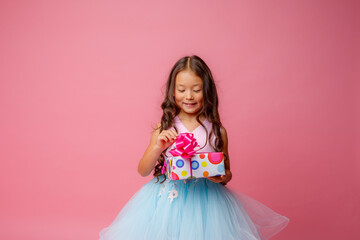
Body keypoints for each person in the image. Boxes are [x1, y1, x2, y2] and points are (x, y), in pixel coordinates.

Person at [99, 55, 289, 240]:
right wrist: (158, 147)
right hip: (167, 203)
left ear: (207, 91)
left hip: (208, 205)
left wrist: (223, 176)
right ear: (172, 92)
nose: (188, 96)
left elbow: (227, 171)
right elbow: (143, 170)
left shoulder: (217, 130)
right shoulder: (164, 127)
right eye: (181, 89)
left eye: (196, 89)